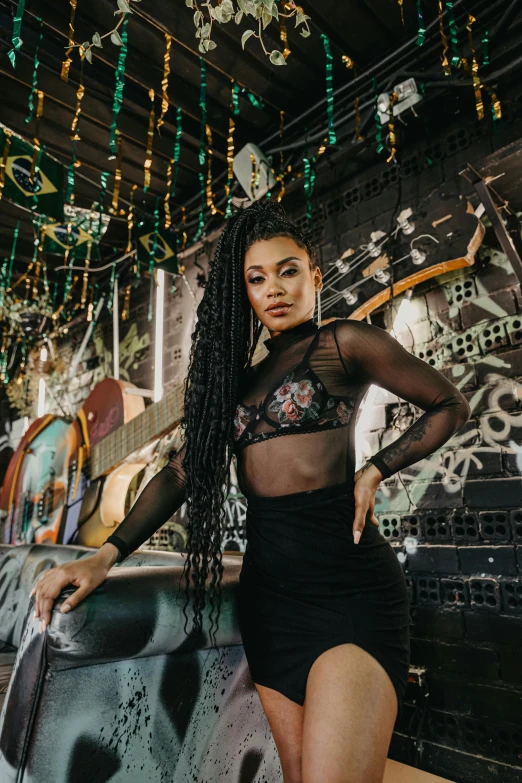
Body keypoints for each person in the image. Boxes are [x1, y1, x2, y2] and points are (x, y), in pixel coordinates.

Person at [32, 200, 471, 782]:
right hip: (271, 609)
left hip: (351, 596)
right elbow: (181, 475)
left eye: (288, 271)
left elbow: (449, 404)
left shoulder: (345, 343)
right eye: (256, 278)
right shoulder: (234, 384)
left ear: (314, 276)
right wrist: (104, 558)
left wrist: (376, 469)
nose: (274, 289)